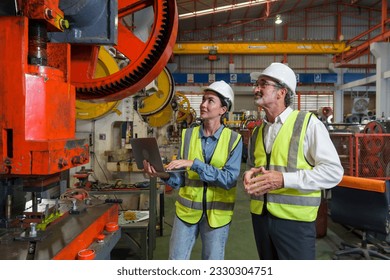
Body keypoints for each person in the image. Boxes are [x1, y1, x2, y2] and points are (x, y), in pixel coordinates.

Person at [243, 62, 343, 260]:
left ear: (282, 92)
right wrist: (249, 175)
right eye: (257, 84)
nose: (256, 89)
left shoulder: (308, 124)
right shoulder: (257, 131)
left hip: (294, 222)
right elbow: (253, 167)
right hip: (261, 218)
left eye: (263, 84)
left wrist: (283, 180)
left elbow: (333, 172)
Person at [143, 80, 243, 260]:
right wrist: (162, 174)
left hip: (217, 216)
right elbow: (181, 179)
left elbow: (229, 179)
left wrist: (194, 164)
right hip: (186, 213)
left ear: (223, 109)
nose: (203, 105)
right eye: (203, 99)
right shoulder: (188, 135)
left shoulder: (234, 140)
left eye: (210, 101)